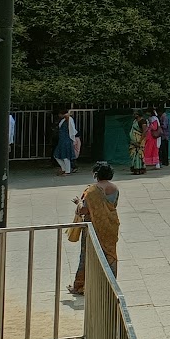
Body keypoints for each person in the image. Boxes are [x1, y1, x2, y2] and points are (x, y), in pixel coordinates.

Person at [67, 161, 120, 296]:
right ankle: (110, 285)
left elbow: (83, 210)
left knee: (86, 255)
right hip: (110, 225)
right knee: (110, 255)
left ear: (96, 174)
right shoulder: (115, 189)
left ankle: (79, 286)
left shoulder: (91, 191)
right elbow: (113, 205)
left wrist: (78, 202)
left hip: (93, 227)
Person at [53, 108, 80, 176]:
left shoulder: (69, 119)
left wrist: (72, 138)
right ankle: (64, 168)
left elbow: (72, 129)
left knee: (65, 156)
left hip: (66, 139)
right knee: (57, 155)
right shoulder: (64, 120)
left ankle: (67, 170)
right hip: (62, 139)